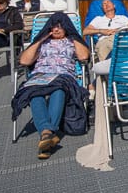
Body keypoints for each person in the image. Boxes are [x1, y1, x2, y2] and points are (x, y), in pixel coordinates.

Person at [12, 12, 90, 160]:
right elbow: (24, 61)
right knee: (34, 93)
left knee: (59, 90)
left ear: (66, 27)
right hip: (41, 75)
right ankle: (48, 135)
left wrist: (74, 37)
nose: (56, 30)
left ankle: (45, 134)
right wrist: (40, 39)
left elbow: (84, 57)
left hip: (63, 75)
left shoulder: (71, 41)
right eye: (53, 27)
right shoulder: (42, 43)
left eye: (60, 27)